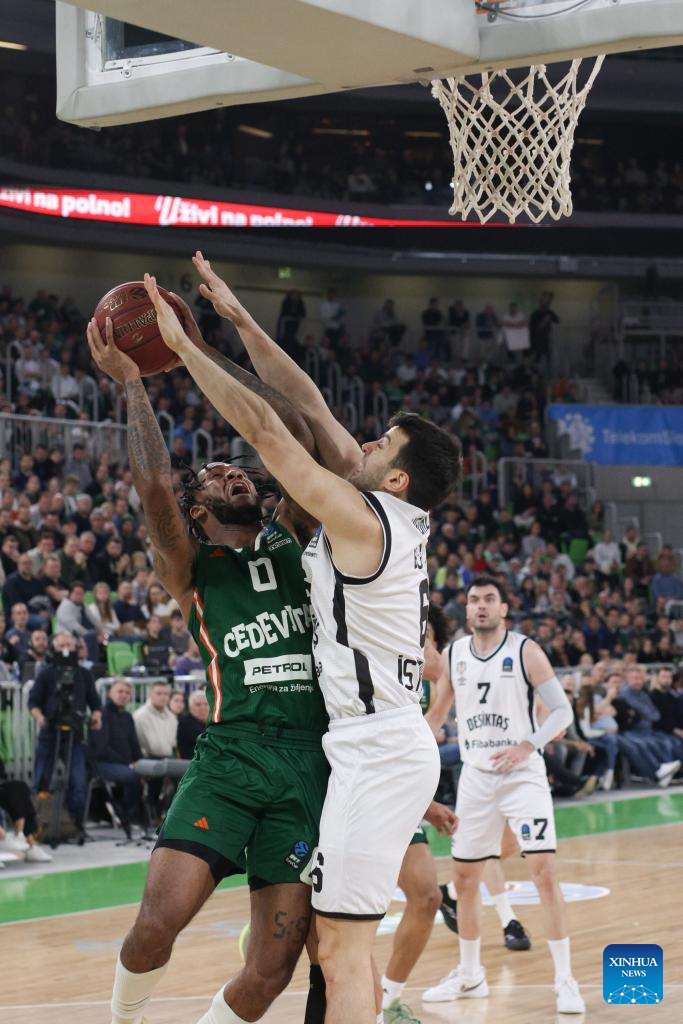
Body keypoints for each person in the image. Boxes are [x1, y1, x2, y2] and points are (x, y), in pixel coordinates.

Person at [151, 256, 462, 1024]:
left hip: (375, 749)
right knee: (331, 943)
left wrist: (184, 351)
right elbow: (308, 404)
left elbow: (266, 430)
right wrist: (237, 319)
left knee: (341, 950)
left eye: (381, 444)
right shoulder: (384, 507)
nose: (364, 445)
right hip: (366, 746)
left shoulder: (361, 518)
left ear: (395, 479)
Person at [87, 304, 329, 1024]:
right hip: (231, 756)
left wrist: (199, 350)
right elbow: (155, 488)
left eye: (236, 469)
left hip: (309, 760)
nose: (232, 472)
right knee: (155, 927)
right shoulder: (189, 566)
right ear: (196, 510)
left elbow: (297, 435)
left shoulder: (295, 532)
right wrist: (133, 382)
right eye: (216, 475)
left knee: (272, 969)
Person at [422, 576, 585, 1015]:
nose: (481, 606)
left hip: (523, 776)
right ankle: (470, 975)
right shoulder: (454, 654)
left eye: (489, 599)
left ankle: (565, 979)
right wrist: (406, 746)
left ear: (504, 608)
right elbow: (437, 715)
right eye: (474, 599)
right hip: (476, 778)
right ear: (467, 608)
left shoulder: (526, 651)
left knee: (544, 874)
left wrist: (528, 745)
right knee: (464, 880)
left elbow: (562, 711)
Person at [27, 630, 102, 835]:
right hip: (50, 733)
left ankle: (76, 825)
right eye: (61, 646)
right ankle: (35, 826)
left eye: (69, 645)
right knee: (41, 780)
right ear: (53, 649)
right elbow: (33, 702)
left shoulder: (84, 674)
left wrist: (97, 716)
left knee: (78, 781)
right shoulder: (47, 673)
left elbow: (95, 702)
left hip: (75, 734)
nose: (66, 650)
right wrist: (40, 717)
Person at [89, 679, 143, 825]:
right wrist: (127, 764)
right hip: (102, 763)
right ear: (109, 693)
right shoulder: (101, 715)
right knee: (132, 776)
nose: (123, 695)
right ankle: (128, 817)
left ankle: (148, 817)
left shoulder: (128, 717)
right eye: (120, 691)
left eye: (127, 693)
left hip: (124, 764)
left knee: (149, 773)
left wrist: (139, 762)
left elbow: (134, 745)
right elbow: (101, 749)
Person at [177, 690, 210, 759]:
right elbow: (207, 741)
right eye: (198, 705)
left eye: (206, 704)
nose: (203, 708)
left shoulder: (209, 723)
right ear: (190, 707)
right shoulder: (185, 722)